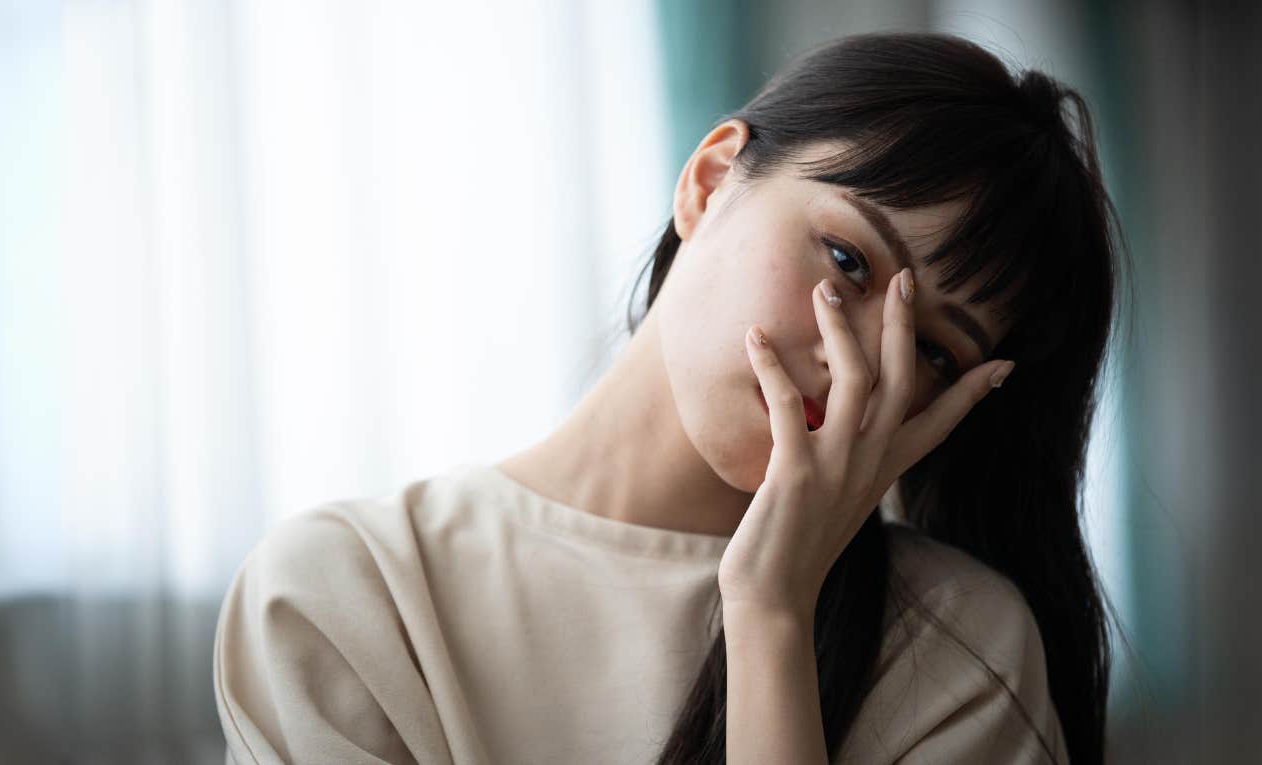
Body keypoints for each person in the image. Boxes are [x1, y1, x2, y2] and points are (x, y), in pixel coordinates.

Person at [213, 31, 1123, 764]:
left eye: (928, 347)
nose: (857, 364)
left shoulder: (962, 653)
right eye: (848, 259)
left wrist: (770, 610)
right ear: (712, 180)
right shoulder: (347, 595)